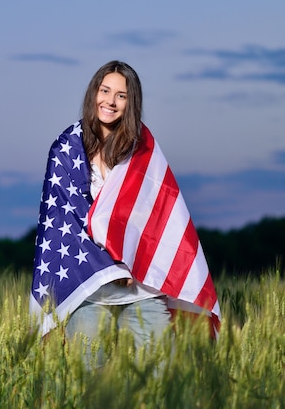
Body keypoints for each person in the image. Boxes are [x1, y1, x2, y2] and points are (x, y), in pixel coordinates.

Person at [29, 60, 220, 367]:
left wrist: (131, 264)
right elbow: (67, 223)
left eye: (121, 95)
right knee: (91, 375)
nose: (111, 101)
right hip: (88, 287)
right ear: (94, 93)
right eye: (105, 91)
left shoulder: (142, 147)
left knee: (159, 368)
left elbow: (158, 217)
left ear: (131, 103)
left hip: (140, 284)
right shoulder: (65, 149)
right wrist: (113, 269)